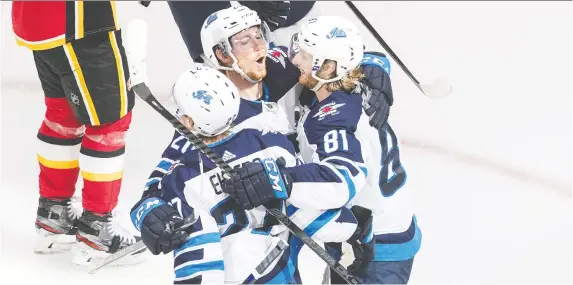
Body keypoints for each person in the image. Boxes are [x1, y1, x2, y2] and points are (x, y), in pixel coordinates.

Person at [226, 15, 423, 284]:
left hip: (376, 250)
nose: (295, 61)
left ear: (328, 67)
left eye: (305, 56)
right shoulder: (347, 85)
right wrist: (376, 62)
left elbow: (340, 177)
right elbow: (364, 55)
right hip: (380, 226)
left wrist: (279, 179)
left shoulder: (333, 120)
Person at [130, 65, 366, 284]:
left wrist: (152, 210)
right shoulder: (272, 142)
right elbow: (307, 210)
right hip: (282, 270)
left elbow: (198, 262)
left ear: (188, 121)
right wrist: (349, 228)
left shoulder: (183, 177)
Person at [11, 1, 144, 265]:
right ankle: (98, 229)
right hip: (80, 20)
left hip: (37, 20)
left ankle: (54, 214)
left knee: (63, 115)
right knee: (110, 121)